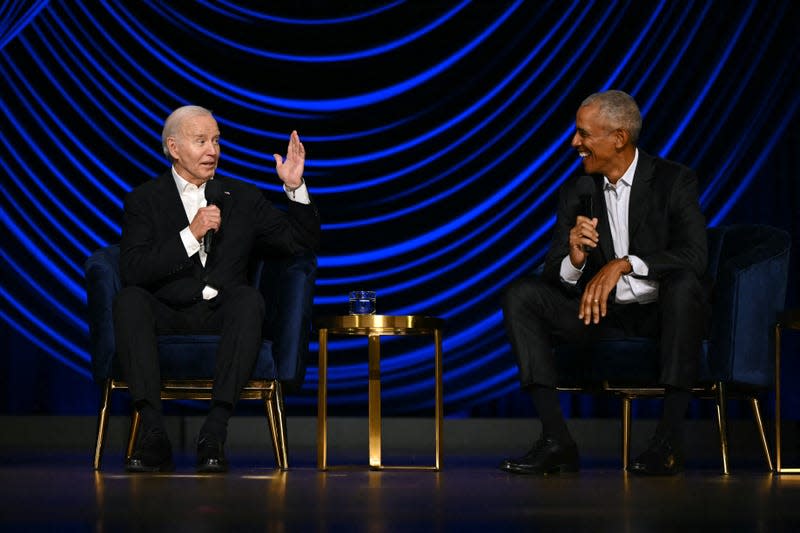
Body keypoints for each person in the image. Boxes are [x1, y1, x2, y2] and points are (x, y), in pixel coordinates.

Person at [501, 90, 708, 475]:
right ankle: (556, 439)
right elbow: (553, 273)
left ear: (618, 138)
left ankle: (668, 442)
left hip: (658, 315)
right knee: (521, 295)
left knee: (685, 288)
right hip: (599, 315)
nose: (574, 143)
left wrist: (624, 264)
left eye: (583, 134)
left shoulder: (673, 180)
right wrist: (575, 260)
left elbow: (695, 256)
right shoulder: (577, 191)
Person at [113, 105, 320, 473]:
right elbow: (133, 269)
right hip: (167, 314)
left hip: (222, 314)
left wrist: (293, 187)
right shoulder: (143, 200)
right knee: (129, 300)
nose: (213, 150)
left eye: (216, 141)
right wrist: (190, 235)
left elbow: (298, 243)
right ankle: (153, 433)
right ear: (174, 148)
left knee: (248, 299)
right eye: (201, 141)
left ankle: (215, 431)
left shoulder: (243, 197)